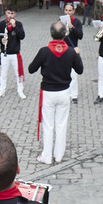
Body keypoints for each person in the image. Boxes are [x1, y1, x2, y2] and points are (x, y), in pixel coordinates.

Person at [28, 21, 83, 164]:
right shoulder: (71, 52)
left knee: (48, 125)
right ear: (65, 35)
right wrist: (77, 55)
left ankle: (46, 157)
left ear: (51, 34)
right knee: (61, 125)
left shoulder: (44, 51)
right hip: (64, 92)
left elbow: (31, 69)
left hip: (48, 93)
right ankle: (58, 155)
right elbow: (80, 70)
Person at [0, 6, 25, 99]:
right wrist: (1, 40)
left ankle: (20, 90)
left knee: (18, 73)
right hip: (5, 53)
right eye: (8, 13)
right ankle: (2, 90)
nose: (10, 16)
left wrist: (15, 26)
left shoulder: (19, 24)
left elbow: (22, 36)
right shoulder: (1, 24)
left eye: (12, 13)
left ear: (15, 14)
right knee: (3, 73)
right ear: (6, 13)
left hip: (15, 53)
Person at [60, 3, 84, 103]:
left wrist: (72, 28)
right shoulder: (60, 21)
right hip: (62, 50)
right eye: (66, 10)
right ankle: (63, 93)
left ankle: (73, 95)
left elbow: (80, 36)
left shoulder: (77, 22)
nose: (68, 12)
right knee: (62, 73)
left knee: (73, 75)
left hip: (73, 50)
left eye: (70, 10)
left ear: (73, 11)